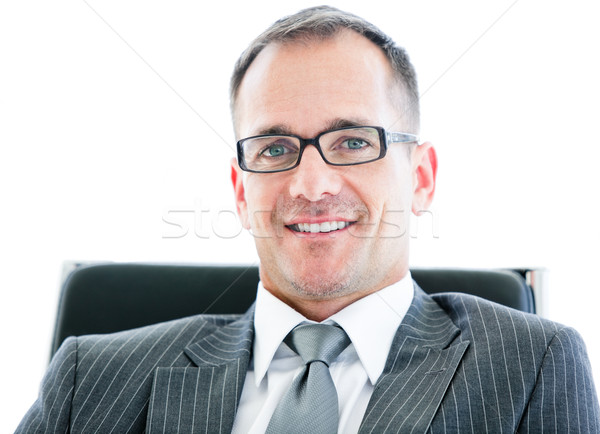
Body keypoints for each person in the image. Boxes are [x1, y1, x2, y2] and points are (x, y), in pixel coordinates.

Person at [17, 6, 599, 433]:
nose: (312, 185)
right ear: (240, 191)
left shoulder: (531, 370)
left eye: (351, 142)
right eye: (274, 149)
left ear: (420, 178)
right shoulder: (87, 383)